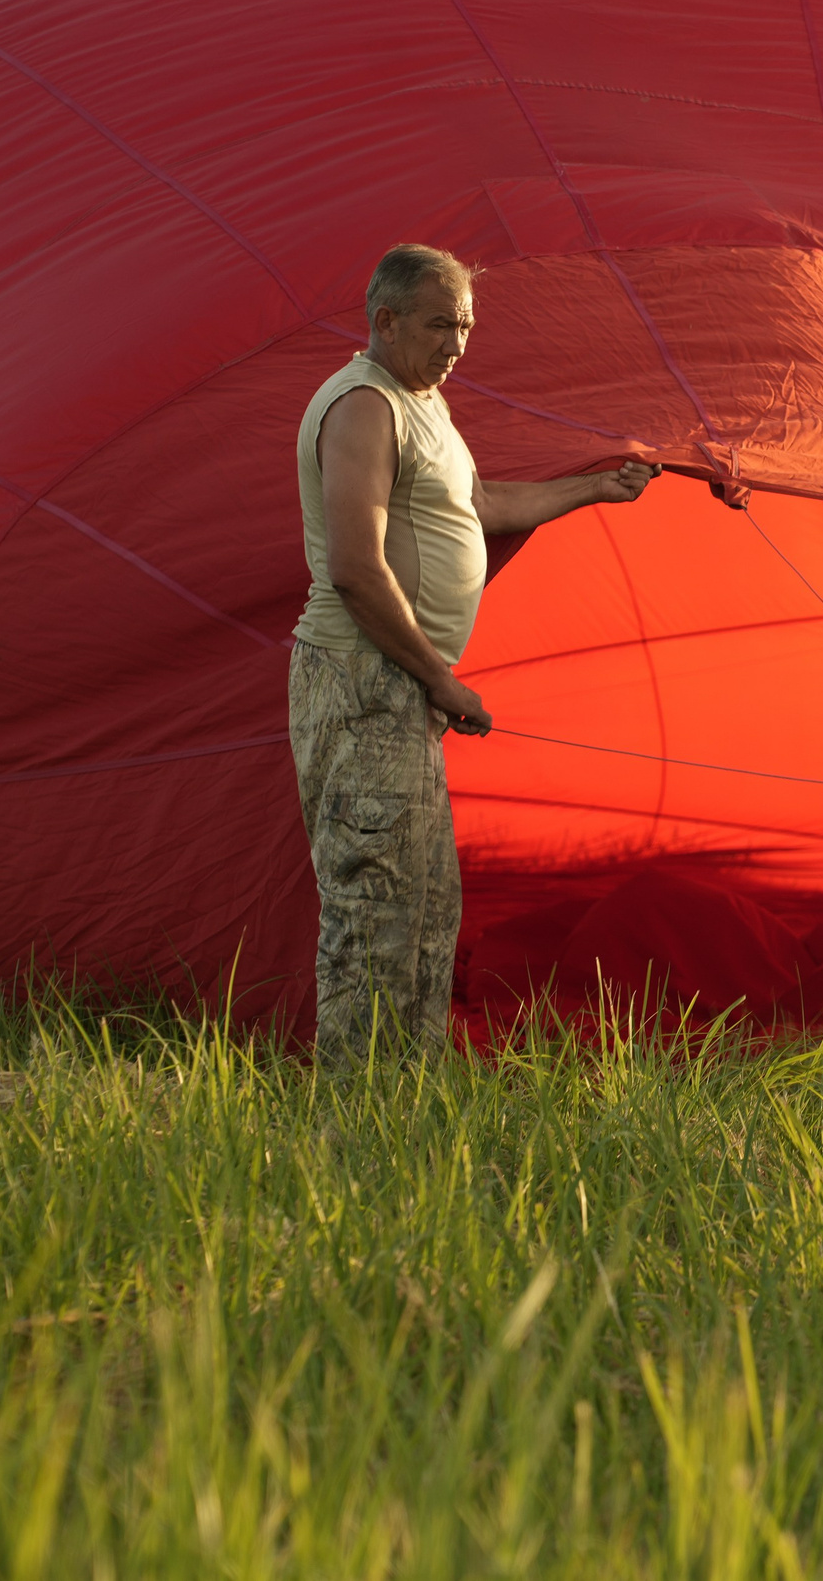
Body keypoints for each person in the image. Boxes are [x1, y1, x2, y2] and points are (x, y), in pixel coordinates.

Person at [289, 243, 659, 1062]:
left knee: (425, 906)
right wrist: (440, 679)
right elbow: (355, 568)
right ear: (386, 321)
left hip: (401, 691)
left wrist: (597, 488)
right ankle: (352, 1106)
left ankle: (410, 1093)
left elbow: (481, 504)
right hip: (361, 681)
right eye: (438, 325)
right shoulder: (363, 406)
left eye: (464, 327)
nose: (455, 344)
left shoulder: (423, 404)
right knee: (374, 906)